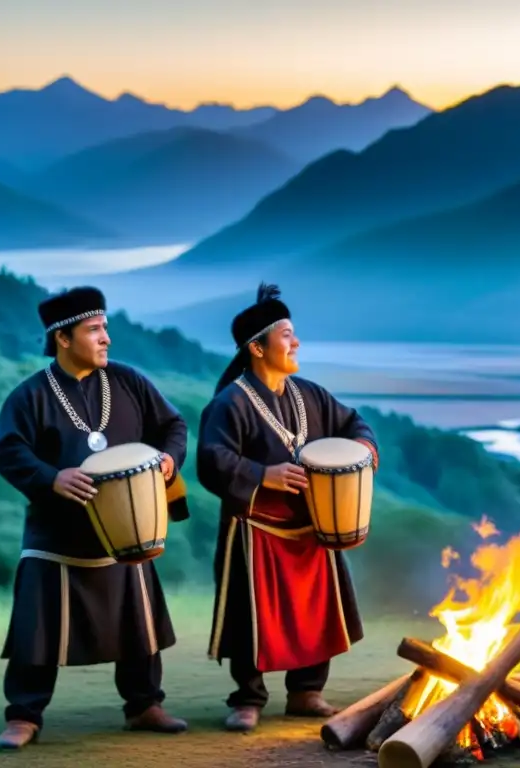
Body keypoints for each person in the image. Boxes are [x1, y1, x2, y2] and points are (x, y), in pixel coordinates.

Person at [0, 286, 190, 750]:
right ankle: (24, 714)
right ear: (63, 338)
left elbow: (173, 426)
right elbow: (8, 451)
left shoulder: (129, 382)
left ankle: (144, 705)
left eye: (105, 328)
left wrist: (169, 459)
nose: (106, 339)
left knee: (138, 621)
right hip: (55, 534)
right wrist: (50, 478)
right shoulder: (31, 396)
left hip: (127, 529)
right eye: (95, 330)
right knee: (35, 625)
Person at [196, 283, 378, 733]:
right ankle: (248, 698)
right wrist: (263, 475)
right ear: (257, 348)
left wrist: (364, 446)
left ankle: (306, 691)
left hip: (312, 528)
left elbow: (354, 422)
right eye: (286, 335)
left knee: (317, 614)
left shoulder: (309, 394)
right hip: (256, 530)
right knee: (251, 618)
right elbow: (211, 460)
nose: (296, 343)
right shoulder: (230, 403)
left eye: (294, 334)